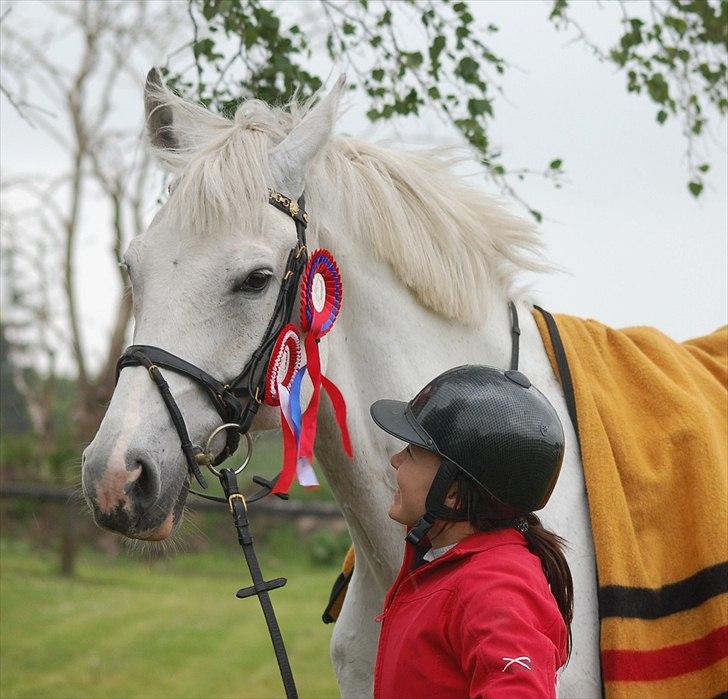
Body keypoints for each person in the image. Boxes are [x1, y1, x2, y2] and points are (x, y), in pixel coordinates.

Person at [369, 365, 573, 699]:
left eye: (412, 452)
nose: (395, 460)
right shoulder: (446, 564)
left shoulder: (495, 588)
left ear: (452, 493)